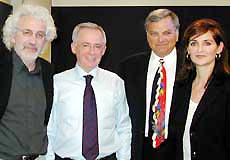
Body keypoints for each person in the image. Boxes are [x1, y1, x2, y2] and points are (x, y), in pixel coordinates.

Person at [46, 22, 131, 160]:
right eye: (85, 45)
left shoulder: (115, 82)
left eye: (97, 46)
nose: (92, 52)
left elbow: (124, 126)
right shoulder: (56, 83)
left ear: (104, 50)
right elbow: (49, 129)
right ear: (74, 47)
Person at [117, 8, 183, 160]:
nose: (161, 39)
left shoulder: (191, 67)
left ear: (177, 34)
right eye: (154, 33)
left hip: (178, 149)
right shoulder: (128, 67)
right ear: (147, 35)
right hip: (140, 149)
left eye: (167, 33)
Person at [0, 4, 57, 160]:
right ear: (12, 36)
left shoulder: (48, 72)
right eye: (27, 33)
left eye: (39, 35)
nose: (33, 41)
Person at [169, 18, 230, 160]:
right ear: (188, 50)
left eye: (207, 43)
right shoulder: (180, 86)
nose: (200, 49)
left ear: (219, 48)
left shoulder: (226, 88)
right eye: (194, 43)